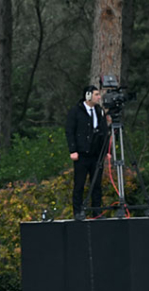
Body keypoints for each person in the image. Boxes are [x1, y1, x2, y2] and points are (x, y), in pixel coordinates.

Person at [65, 85, 107, 220]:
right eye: (96, 94)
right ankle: (78, 211)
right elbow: (70, 131)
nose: (98, 97)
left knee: (96, 184)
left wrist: (106, 151)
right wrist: (73, 150)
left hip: (96, 154)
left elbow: (104, 132)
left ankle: (97, 211)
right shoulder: (76, 111)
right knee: (79, 184)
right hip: (82, 154)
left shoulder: (99, 111)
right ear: (88, 95)